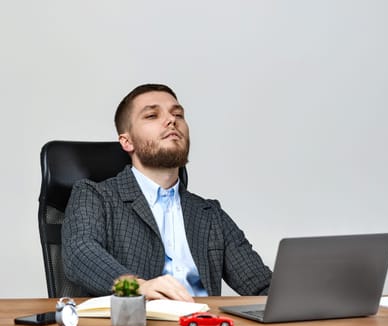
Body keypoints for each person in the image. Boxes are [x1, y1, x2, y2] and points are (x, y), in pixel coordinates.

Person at [62, 83, 272, 301]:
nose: (172, 120)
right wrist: (135, 287)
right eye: (152, 115)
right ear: (127, 141)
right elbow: (79, 254)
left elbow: (260, 285)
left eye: (178, 114)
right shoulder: (95, 196)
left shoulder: (210, 214)